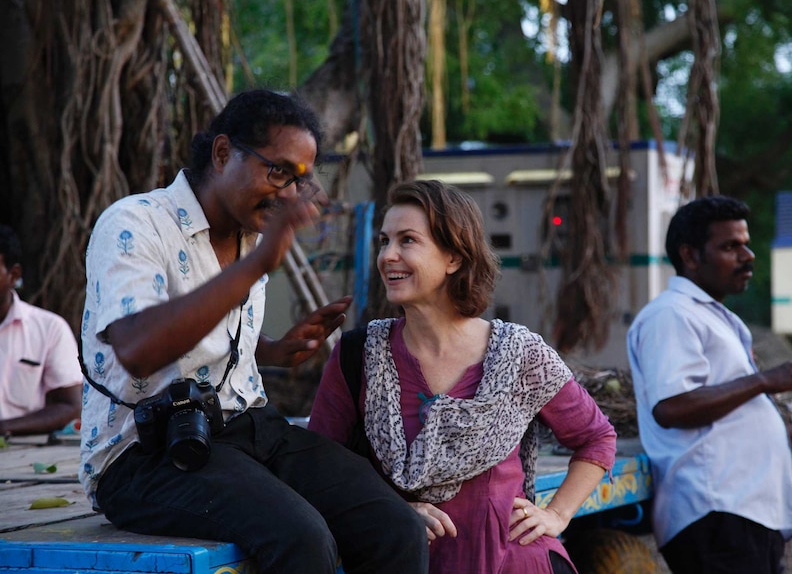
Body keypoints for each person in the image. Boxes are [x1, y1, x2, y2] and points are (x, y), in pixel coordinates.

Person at [79, 89, 428, 574]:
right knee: (302, 539)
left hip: (246, 429)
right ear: (223, 153)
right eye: (278, 170)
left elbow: (205, 340)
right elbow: (137, 350)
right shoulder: (135, 223)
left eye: (301, 180)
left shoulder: (252, 234)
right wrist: (259, 263)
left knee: (397, 526)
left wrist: (274, 350)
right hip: (145, 453)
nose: (289, 193)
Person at [309, 179, 617, 574]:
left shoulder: (517, 353)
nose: (388, 256)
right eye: (384, 241)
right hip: (405, 562)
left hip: (512, 562)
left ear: (454, 256)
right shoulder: (359, 355)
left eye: (407, 241)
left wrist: (557, 515)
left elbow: (596, 438)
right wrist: (391, 511)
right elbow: (320, 466)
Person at [627, 195, 792, 573]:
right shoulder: (671, 315)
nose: (748, 255)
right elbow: (673, 406)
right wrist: (765, 380)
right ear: (690, 256)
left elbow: (724, 420)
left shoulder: (713, 317)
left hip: (744, 513)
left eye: (746, 244)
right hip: (717, 513)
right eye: (730, 246)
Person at [0, 225, 82, 437]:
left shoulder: (49, 329)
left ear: (13, 274)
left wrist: (4, 429)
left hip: (25, 455)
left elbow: (70, 407)